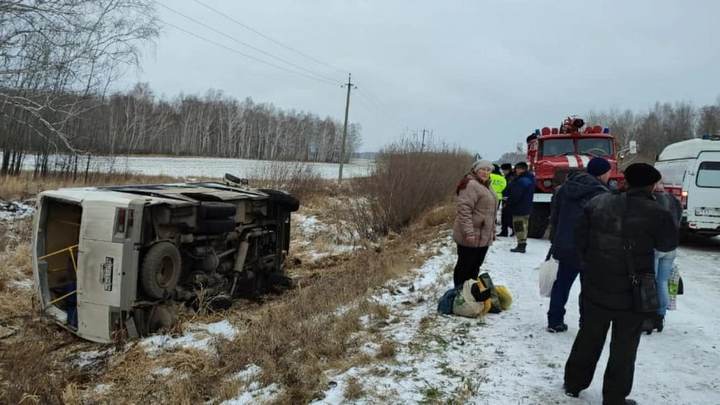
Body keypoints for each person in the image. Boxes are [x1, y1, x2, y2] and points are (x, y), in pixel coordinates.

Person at [564, 163, 678, 405]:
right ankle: (614, 397)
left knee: (588, 337)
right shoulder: (656, 212)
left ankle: (573, 383)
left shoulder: (599, 202)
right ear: (650, 185)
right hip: (633, 292)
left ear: (625, 180)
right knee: (624, 347)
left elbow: (579, 237)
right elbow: (667, 245)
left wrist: (590, 264)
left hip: (596, 284)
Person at [546, 158, 611, 333]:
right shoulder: (602, 194)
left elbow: (555, 217)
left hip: (566, 245)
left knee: (562, 284)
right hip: (590, 248)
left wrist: (556, 239)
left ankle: (554, 320)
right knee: (590, 288)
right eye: (608, 172)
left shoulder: (564, 189)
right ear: (602, 173)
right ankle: (587, 324)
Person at [452, 159, 498, 288]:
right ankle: (459, 292)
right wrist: (469, 233)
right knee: (464, 266)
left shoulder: (487, 185)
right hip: (470, 235)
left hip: (484, 235)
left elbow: (491, 212)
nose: (485, 172)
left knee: (475, 266)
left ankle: (470, 292)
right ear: (475, 170)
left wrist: (493, 231)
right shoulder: (470, 184)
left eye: (488, 170)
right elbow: (464, 210)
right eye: (482, 169)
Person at [651, 182, 682, 333]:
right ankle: (660, 316)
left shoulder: (652, 200)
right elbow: (679, 219)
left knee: (651, 280)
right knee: (662, 282)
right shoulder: (673, 200)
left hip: (655, 246)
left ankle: (650, 314)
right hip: (671, 246)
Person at [505, 162, 534, 253]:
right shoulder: (530, 178)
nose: (516, 170)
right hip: (526, 206)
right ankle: (522, 243)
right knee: (524, 225)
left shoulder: (521, 181)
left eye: (517, 168)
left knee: (519, 226)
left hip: (519, 208)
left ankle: (521, 245)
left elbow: (516, 195)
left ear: (522, 169)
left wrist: (509, 202)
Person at [498, 163, 515, 236]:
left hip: (508, 198)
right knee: (505, 215)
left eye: (503, 170)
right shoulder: (509, 176)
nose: (503, 172)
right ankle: (505, 231)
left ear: (507, 170)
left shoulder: (510, 178)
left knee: (507, 215)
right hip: (506, 198)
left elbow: (508, 188)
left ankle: (507, 230)